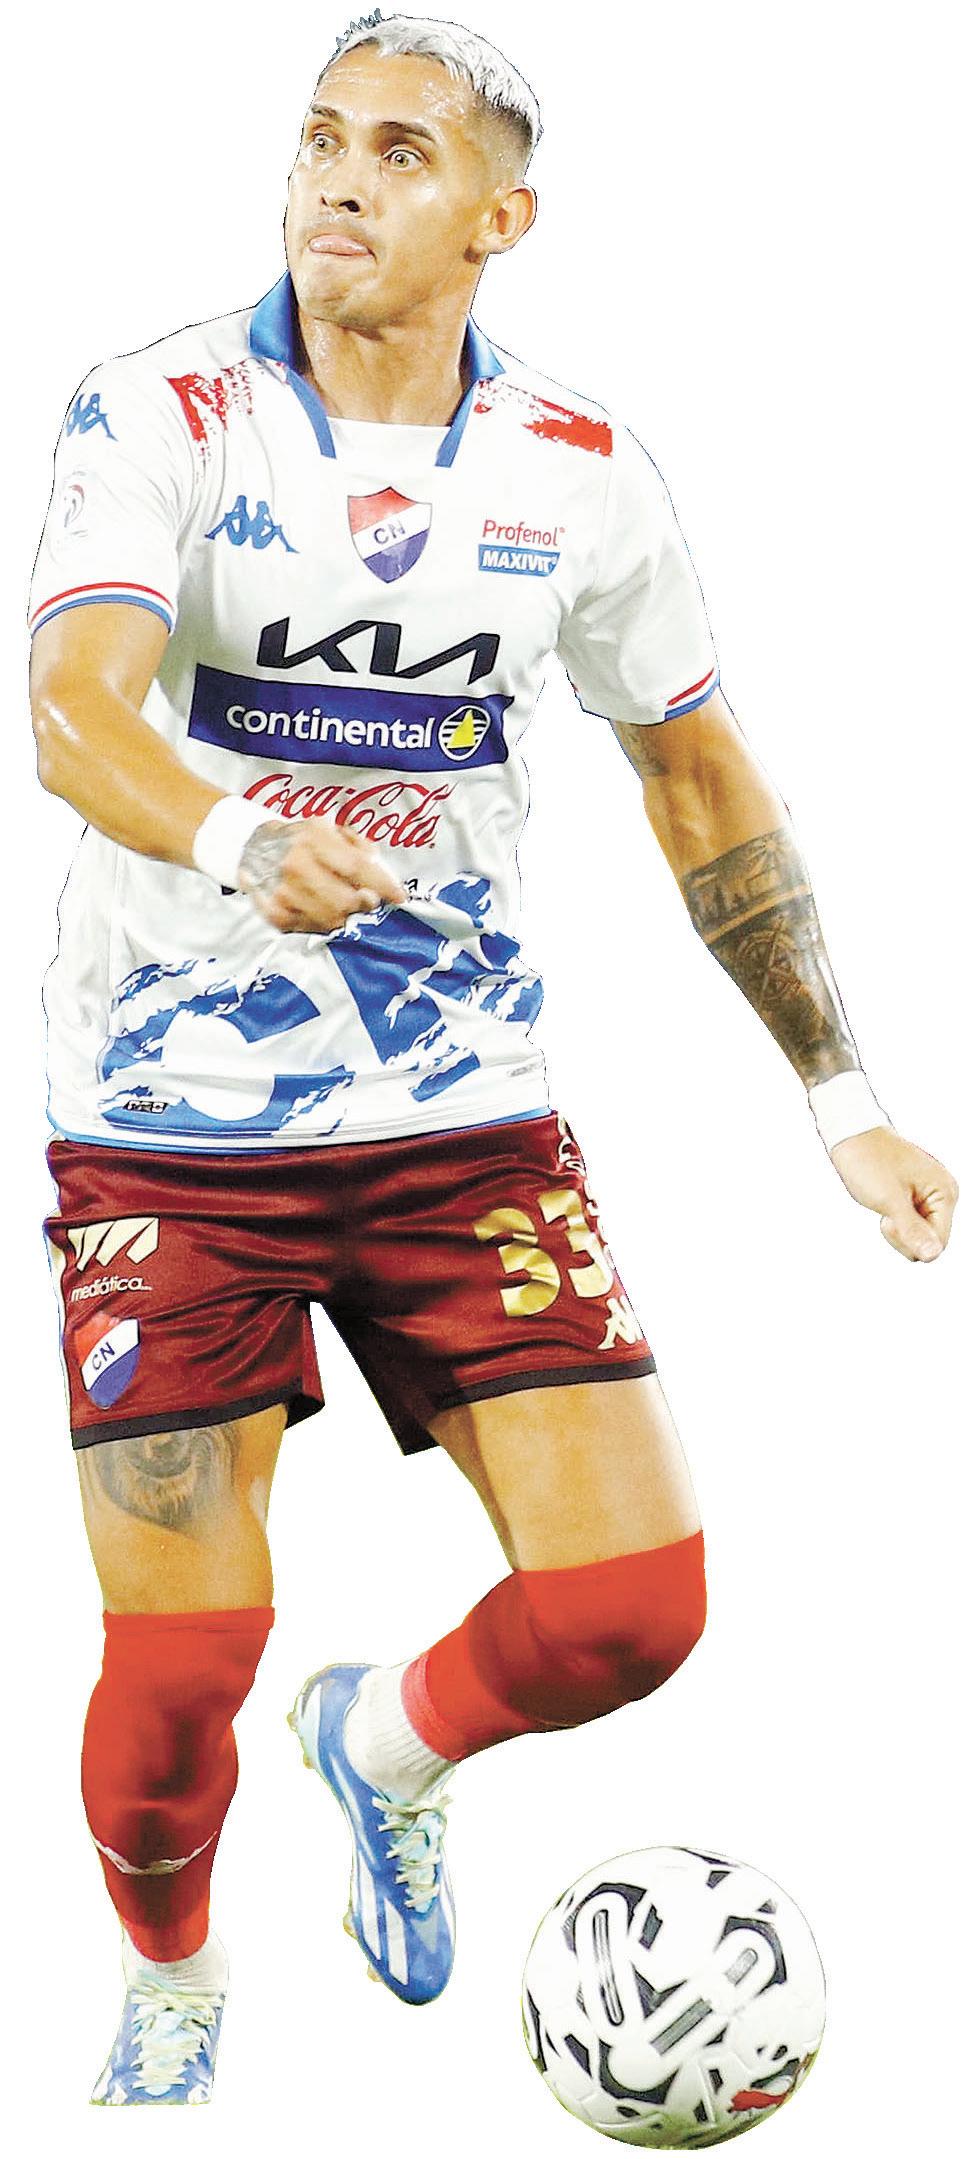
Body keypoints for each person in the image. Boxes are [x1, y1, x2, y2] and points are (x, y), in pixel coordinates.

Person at [28, 9, 957, 2109]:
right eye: (319, 139)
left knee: (632, 1610)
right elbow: (73, 705)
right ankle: (175, 1971)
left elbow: (699, 778)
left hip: (459, 1112)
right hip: (174, 1126)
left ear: (500, 220)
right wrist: (238, 837)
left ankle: (382, 1744)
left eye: (399, 153)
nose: (337, 181)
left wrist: (839, 1095)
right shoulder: (161, 408)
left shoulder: (577, 471)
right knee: (175, 1682)